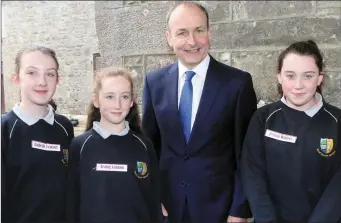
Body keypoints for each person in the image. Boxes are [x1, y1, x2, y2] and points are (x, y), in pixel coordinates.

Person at [142, 2, 257, 223]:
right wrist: (152, 197)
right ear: (169, 38)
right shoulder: (153, 83)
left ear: (209, 33)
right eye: (182, 33)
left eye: (199, 31)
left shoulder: (237, 83)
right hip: (167, 209)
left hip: (220, 210)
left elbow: (246, 154)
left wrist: (239, 209)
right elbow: (149, 148)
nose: (192, 41)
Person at [241, 40, 341, 223]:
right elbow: (253, 174)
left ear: (320, 78)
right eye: (290, 76)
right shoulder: (263, 118)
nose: (298, 85)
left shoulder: (336, 121)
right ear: (279, 77)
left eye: (308, 76)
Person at [67, 67, 162, 223]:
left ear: (131, 101)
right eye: (110, 97)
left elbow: (153, 199)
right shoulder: (80, 146)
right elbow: (71, 202)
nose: (118, 104)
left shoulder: (144, 145)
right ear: (96, 100)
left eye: (124, 97)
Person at [1, 46, 74, 223]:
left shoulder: (64, 127)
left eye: (49, 74)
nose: (42, 81)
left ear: (57, 79)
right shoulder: (5, 129)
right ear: (16, 79)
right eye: (32, 73)